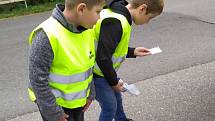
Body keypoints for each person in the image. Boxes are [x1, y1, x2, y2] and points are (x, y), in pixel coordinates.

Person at [27, 0, 104, 121]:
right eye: (98, 11)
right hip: (55, 106)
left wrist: (90, 93)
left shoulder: (87, 30)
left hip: (78, 102)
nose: (99, 18)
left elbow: (88, 65)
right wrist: (54, 112)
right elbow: (37, 80)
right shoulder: (46, 35)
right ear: (81, 9)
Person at [93, 0, 164, 121]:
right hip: (96, 73)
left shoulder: (120, 15)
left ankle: (121, 119)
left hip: (104, 71)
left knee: (117, 98)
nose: (147, 22)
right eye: (150, 17)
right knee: (110, 106)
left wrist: (133, 51)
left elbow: (112, 48)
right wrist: (113, 82)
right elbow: (103, 57)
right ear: (142, 9)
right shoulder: (115, 22)